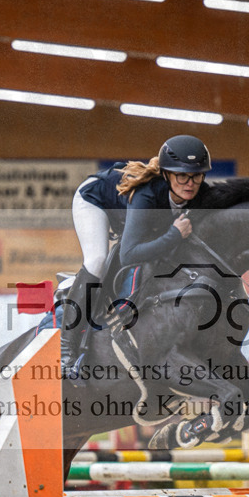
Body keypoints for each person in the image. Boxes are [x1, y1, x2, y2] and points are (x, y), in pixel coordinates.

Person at [62, 134, 214, 373]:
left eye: (197, 176)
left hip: (133, 213)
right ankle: (67, 351)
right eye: (182, 176)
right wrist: (174, 235)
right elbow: (129, 255)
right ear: (166, 174)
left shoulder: (199, 193)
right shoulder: (147, 195)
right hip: (95, 200)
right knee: (97, 260)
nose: (190, 183)